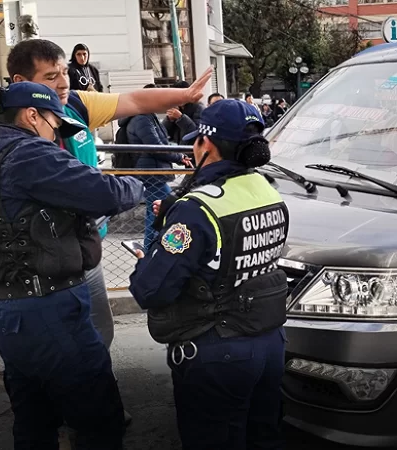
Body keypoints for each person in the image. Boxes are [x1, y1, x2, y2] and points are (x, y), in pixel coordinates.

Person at [0, 38, 212, 424]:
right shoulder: (2, 141)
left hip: (72, 251)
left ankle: (78, 407)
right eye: (51, 76)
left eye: (64, 72)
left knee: (87, 343)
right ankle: (88, 416)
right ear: (24, 96)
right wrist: (137, 185)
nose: (63, 82)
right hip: (34, 271)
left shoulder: (72, 103)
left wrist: (187, 93)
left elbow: (135, 101)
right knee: (73, 379)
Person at [0, 81, 144, 449]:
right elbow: (101, 193)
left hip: (2, 307)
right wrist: (135, 185)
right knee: (99, 419)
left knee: (34, 417)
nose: (57, 133)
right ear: (32, 115)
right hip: (46, 309)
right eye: (55, 123)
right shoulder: (27, 154)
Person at [129, 99, 289, 450]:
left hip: (219, 351)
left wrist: (147, 258)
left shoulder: (198, 209)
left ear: (207, 145)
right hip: (270, 342)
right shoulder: (269, 191)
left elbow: (150, 290)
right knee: (263, 435)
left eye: (195, 141)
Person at [119, 84, 193, 251]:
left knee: (154, 213)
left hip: (152, 171)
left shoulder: (145, 117)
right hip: (152, 172)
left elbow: (161, 142)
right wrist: (179, 157)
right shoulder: (142, 119)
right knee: (166, 209)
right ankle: (153, 250)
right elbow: (157, 147)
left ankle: (148, 250)